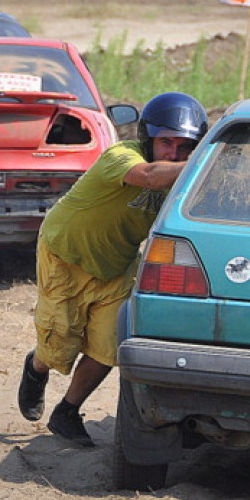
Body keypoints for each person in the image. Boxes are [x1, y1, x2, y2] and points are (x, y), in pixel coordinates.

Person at [17, 92, 208, 447]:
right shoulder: (120, 156)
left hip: (116, 266)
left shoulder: (184, 184)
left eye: (185, 147)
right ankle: (36, 367)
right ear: (148, 138)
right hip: (66, 254)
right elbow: (150, 175)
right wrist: (208, 161)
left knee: (109, 347)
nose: (174, 153)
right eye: (166, 142)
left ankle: (68, 412)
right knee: (60, 343)